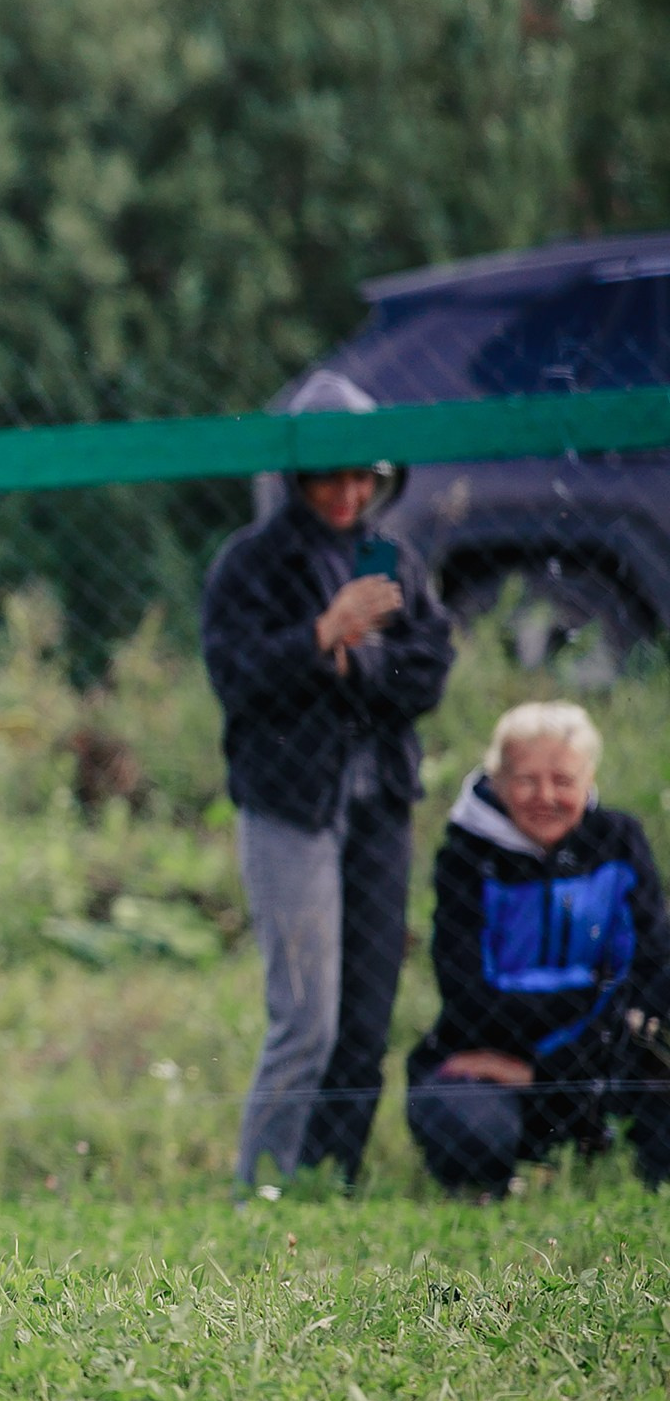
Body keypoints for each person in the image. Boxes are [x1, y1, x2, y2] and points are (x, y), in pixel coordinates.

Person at [202, 463, 455, 1189]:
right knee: (306, 1018)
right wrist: (319, 635)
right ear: (296, 479)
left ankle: (328, 1181)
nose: (347, 497)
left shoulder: (388, 557)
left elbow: (429, 668)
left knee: (367, 1018)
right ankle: (263, 1186)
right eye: (328, 481)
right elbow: (236, 675)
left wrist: (358, 662)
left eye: (361, 481)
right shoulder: (252, 562)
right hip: (290, 803)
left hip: (380, 804)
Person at [405, 703, 670, 1194]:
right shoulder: (465, 857)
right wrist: (592, 997)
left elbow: (648, 978)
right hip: (492, 1065)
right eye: (526, 780)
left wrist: (543, 1070)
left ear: (589, 779)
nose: (545, 797)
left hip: (597, 1064)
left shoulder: (620, 841)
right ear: (498, 779)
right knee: (470, 1128)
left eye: (563, 781)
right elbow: (470, 999)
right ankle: (494, 1186)